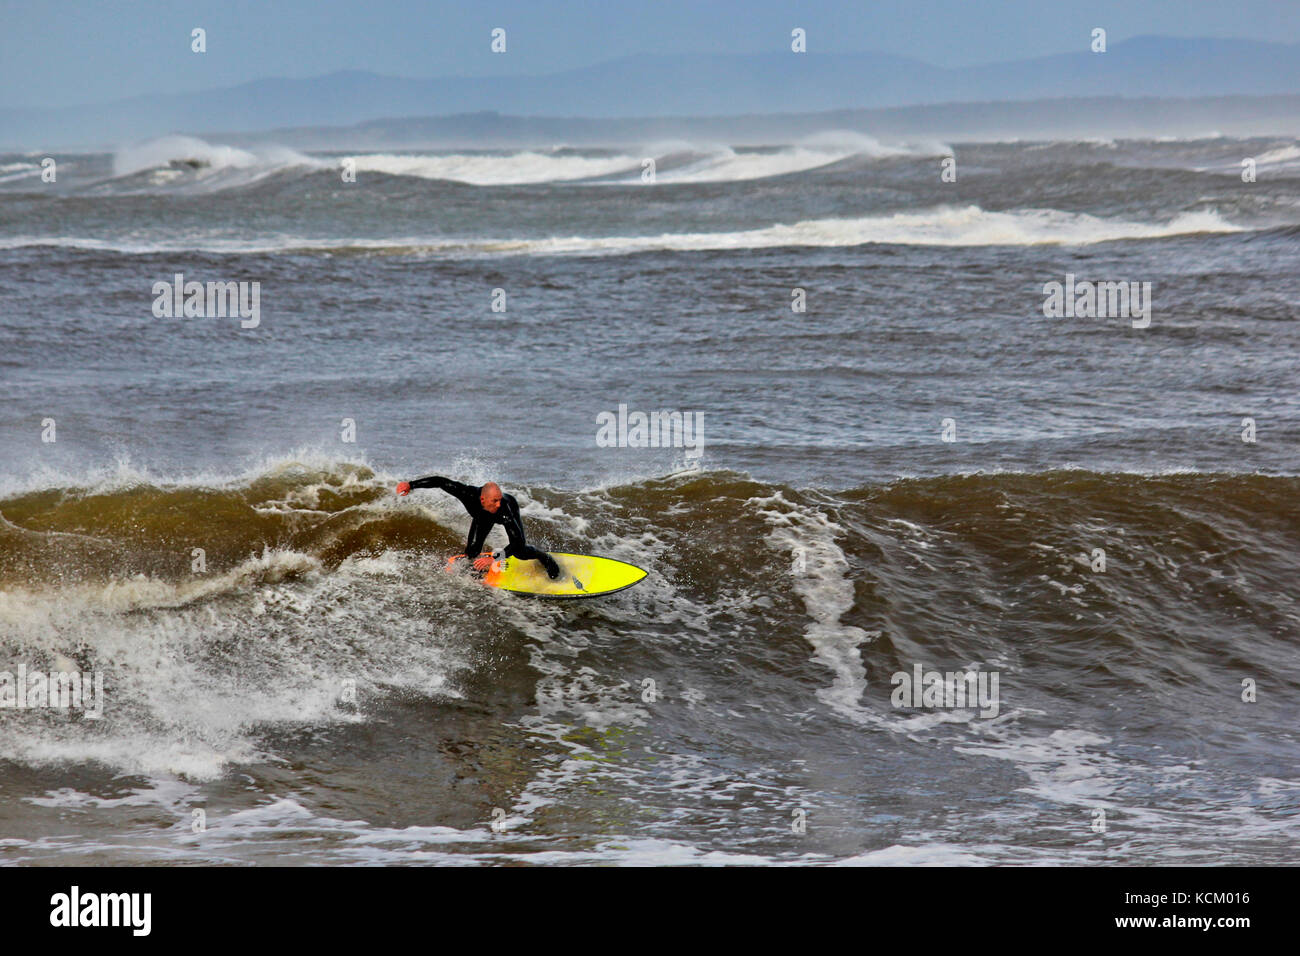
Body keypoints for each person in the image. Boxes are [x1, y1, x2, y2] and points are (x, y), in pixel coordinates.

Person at [396, 475, 561, 579]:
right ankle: (478, 571)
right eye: (494, 501)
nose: (498, 504)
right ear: (482, 499)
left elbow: (517, 542)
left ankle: (545, 558)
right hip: (481, 517)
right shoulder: (467, 494)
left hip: (509, 513)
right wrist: (411, 484)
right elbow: (441, 482)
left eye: (499, 500)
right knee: (472, 551)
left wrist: (495, 558)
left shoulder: (505, 509)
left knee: (520, 552)